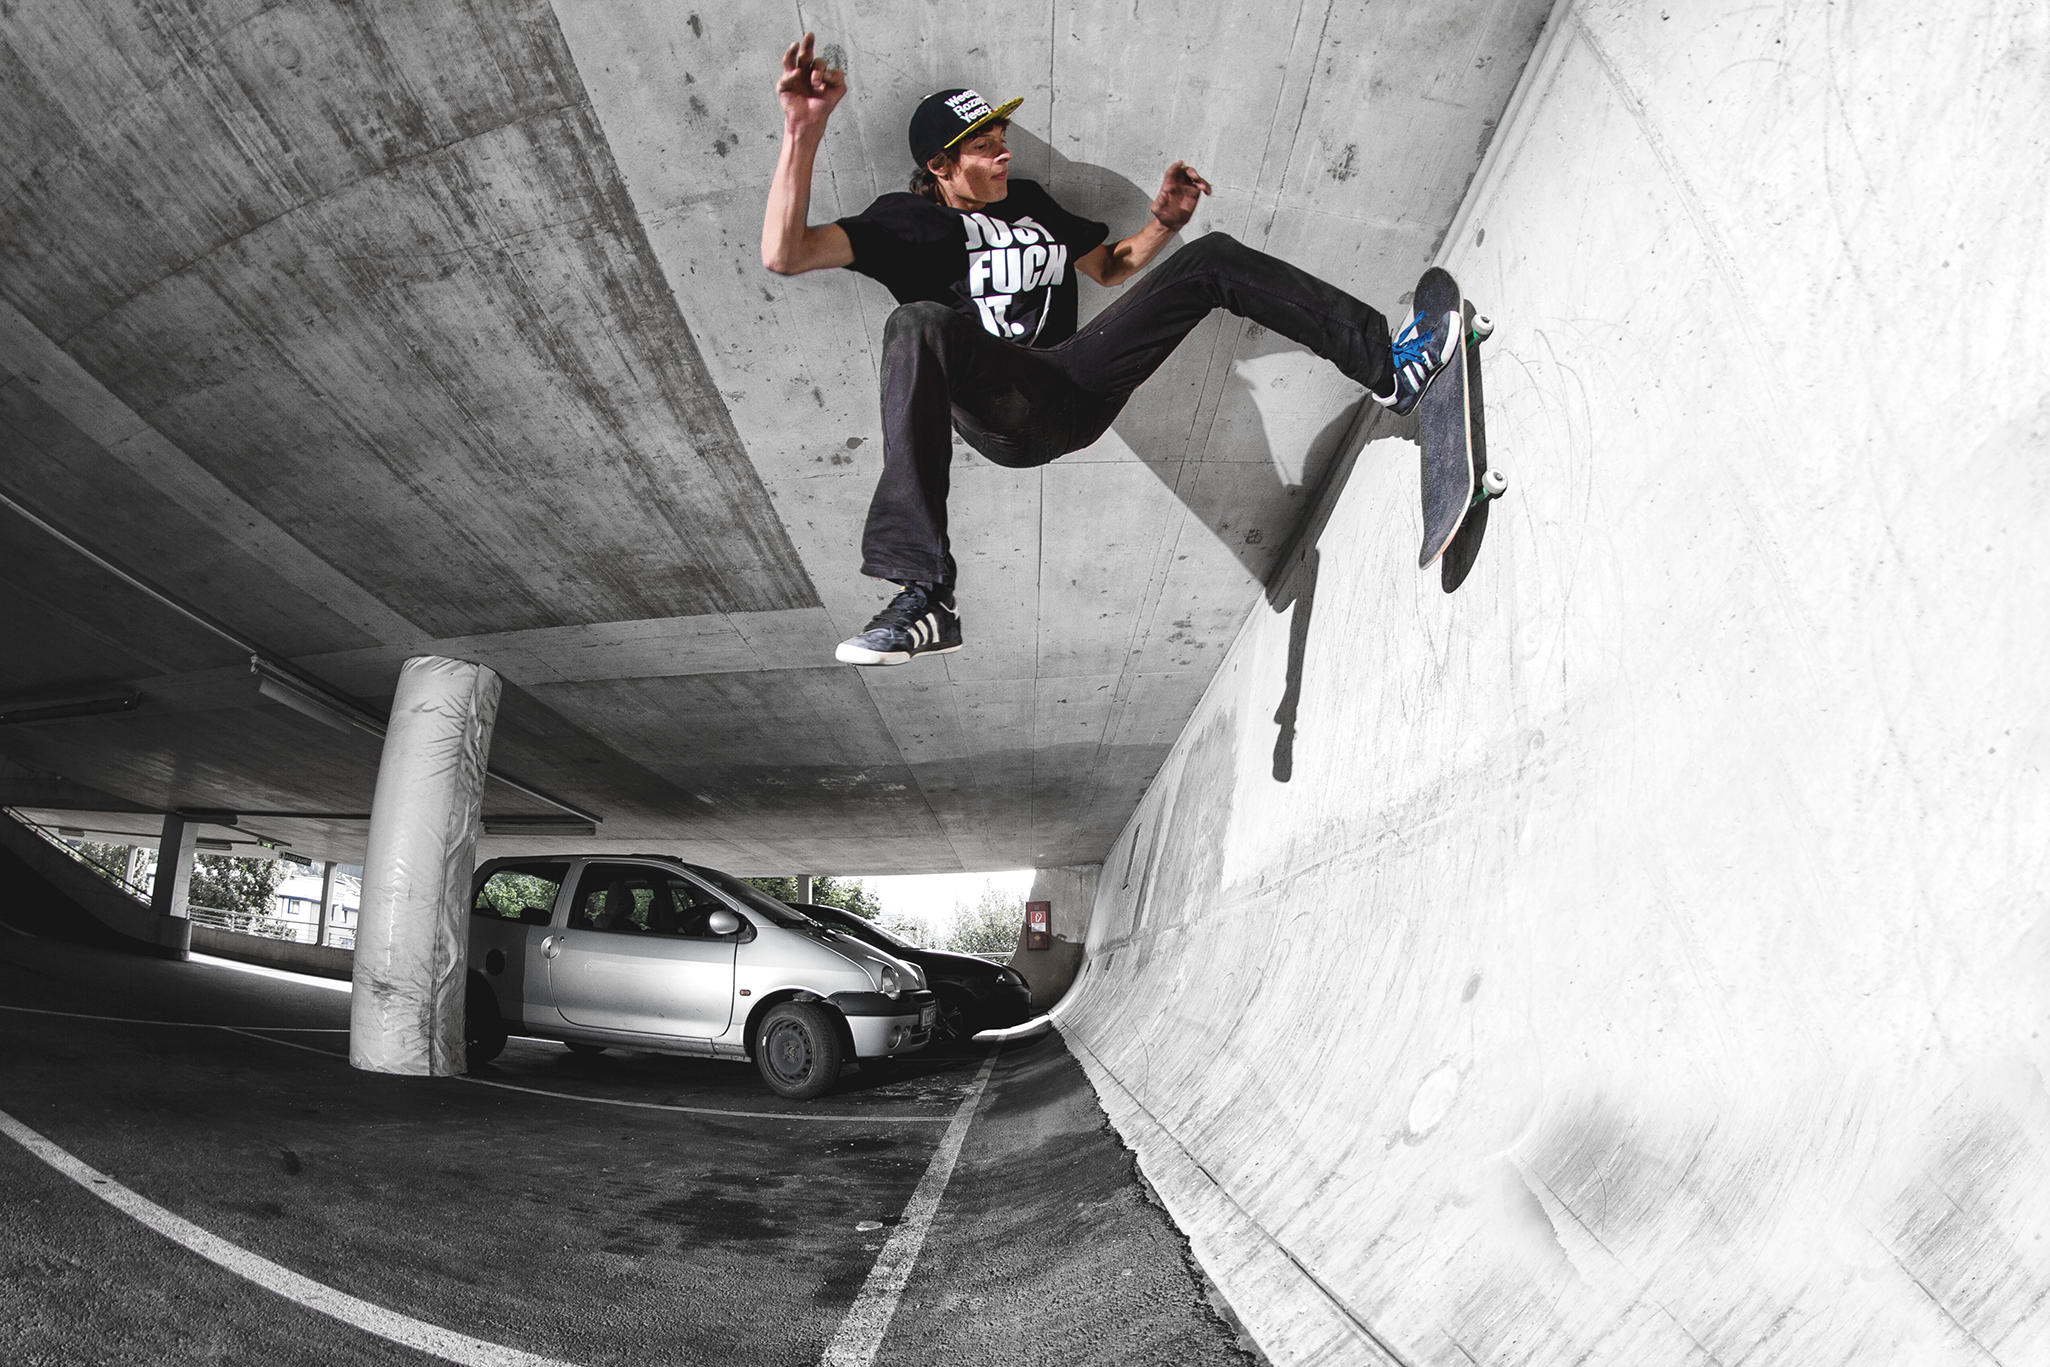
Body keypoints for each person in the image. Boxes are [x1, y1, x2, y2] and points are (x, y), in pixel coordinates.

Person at [761, 33, 1459, 666]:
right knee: (917, 322)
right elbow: (786, 253)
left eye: (1002, 134)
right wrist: (803, 129)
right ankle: (925, 592)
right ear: (942, 166)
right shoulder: (906, 223)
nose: (1004, 151)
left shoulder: (1031, 203)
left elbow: (1111, 266)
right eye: (984, 145)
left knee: (1209, 259)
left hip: (1078, 379)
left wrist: (1163, 225)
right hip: (1005, 409)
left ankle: (1390, 370)